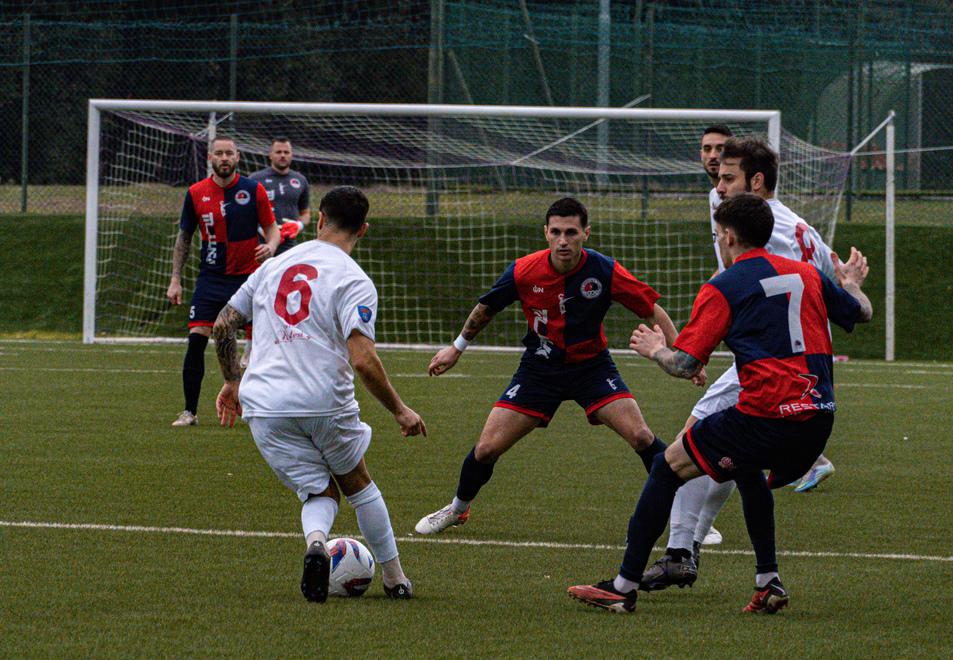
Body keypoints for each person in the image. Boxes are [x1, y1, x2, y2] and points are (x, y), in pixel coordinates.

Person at [568, 192, 872, 614]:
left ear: (728, 236)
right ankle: (767, 582)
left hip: (766, 416)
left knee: (666, 465)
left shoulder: (725, 285)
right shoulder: (807, 273)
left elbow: (685, 364)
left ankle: (622, 587)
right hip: (818, 420)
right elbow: (861, 313)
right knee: (745, 468)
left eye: (717, 234)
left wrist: (655, 348)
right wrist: (852, 282)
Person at [414, 197, 690, 535]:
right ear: (545, 233)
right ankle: (457, 508)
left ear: (585, 233)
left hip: (592, 368)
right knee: (486, 449)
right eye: (556, 232)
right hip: (539, 370)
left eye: (571, 232)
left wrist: (683, 354)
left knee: (641, 435)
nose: (563, 240)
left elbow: (652, 310)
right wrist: (456, 348)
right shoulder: (523, 270)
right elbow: (486, 308)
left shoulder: (604, 270)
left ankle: (686, 514)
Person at [641, 135, 842, 591]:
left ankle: (676, 554)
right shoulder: (753, 217)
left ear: (755, 181)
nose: (720, 182)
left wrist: (686, 350)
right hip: (792, 362)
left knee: (689, 444)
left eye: (729, 176)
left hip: (778, 362)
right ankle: (723, 561)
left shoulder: (779, 233)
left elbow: (774, 289)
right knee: (730, 457)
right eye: (714, 166)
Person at [211, 185, 427, 602]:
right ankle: (396, 579)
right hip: (323, 401)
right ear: (362, 230)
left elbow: (222, 325)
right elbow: (363, 360)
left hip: (265, 404)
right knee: (358, 484)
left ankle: (316, 543)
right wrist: (399, 410)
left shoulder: (272, 267)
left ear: (321, 220)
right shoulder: (354, 280)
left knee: (317, 490)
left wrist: (233, 380)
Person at [166, 136, 279, 427]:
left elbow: (272, 229)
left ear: (238, 157)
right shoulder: (196, 193)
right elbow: (184, 238)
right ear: (210, 158)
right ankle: (189, 411)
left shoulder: (254, 190)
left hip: (248, 280)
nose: (224, 158)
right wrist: (175, 279)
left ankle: (262, 407)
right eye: (219, 153)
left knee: (263, 346)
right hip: (211, 278)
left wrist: (271, 246)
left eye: (229, 153)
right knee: (196, 340)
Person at [249, 137, 312, 256]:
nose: (282, 155)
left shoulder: (300, 180)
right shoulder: (255, 179)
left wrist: (298, 225)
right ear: (270, 155)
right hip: (261, 245)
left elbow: (305, 213)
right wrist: (261, 229)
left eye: (286, 152)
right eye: (278, 152)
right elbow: (245, 212)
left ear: (291, 155)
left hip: (289, 247)